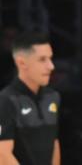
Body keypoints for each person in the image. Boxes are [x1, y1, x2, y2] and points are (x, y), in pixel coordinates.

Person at [0, 31, 60, 165]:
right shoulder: (6, 100)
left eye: (50, 58)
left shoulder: (53, 97)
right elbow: (2, 154)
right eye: (42, 59)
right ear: (22, 63)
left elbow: (54, 143)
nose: (51, 66)